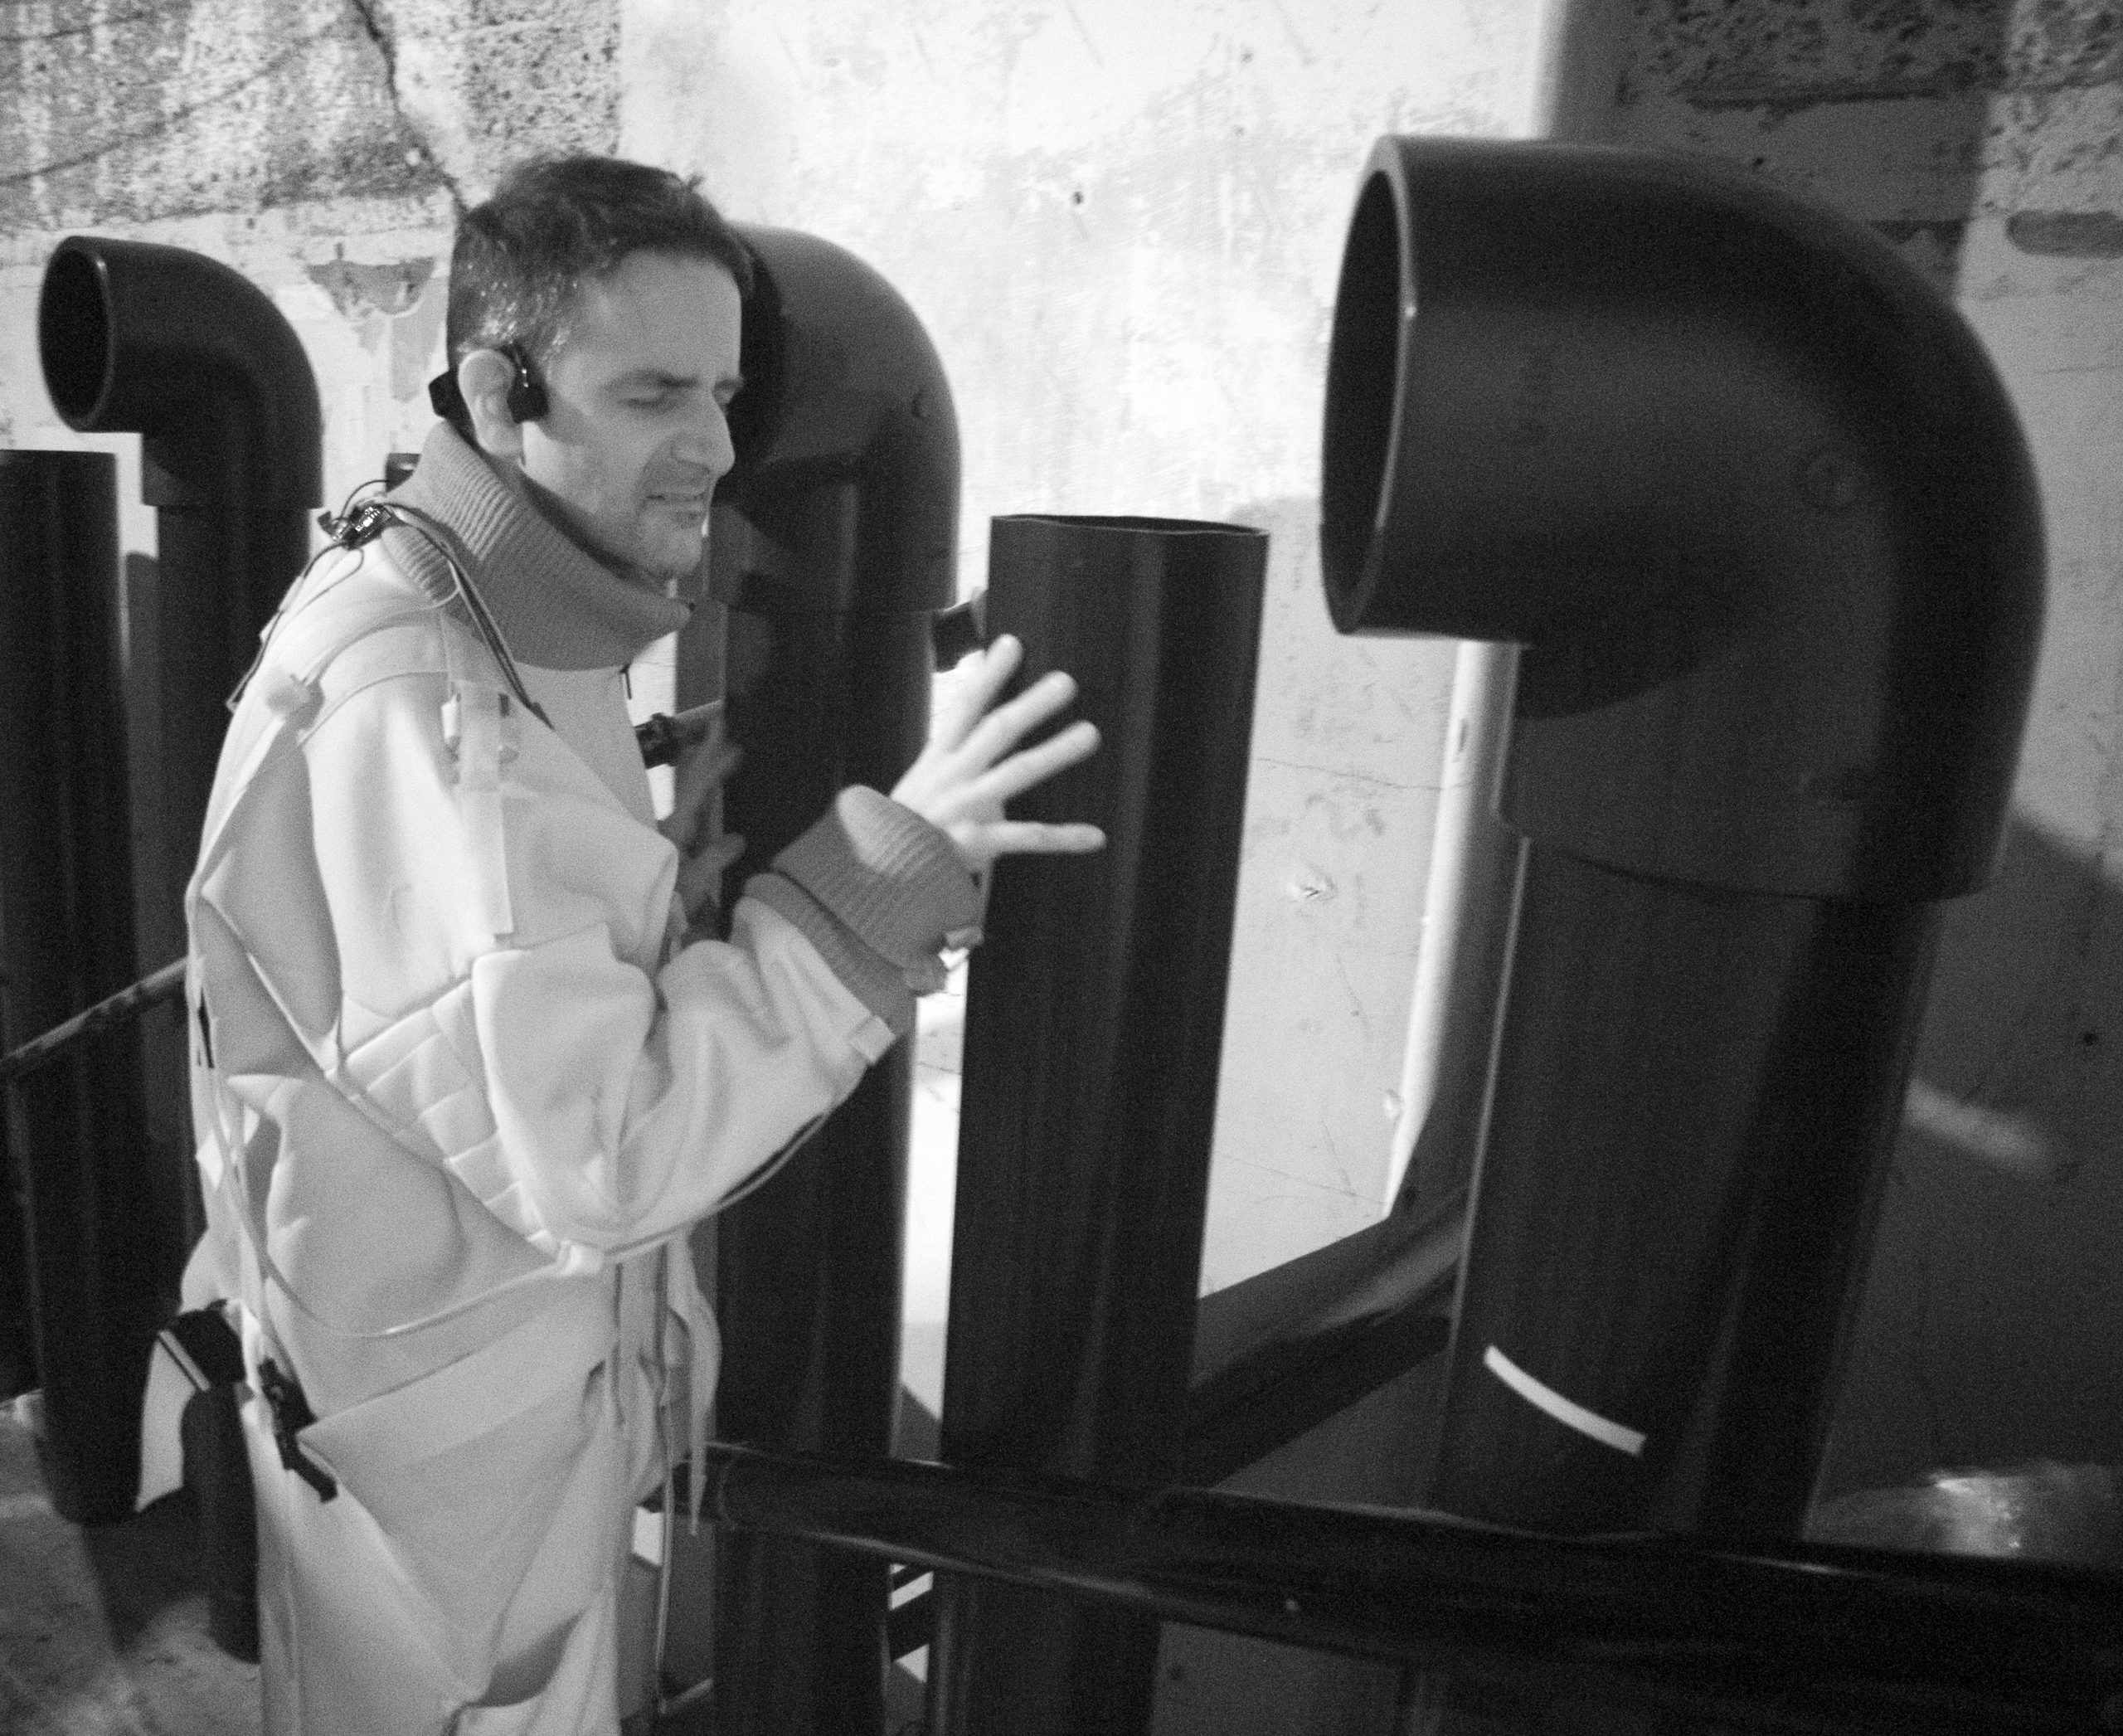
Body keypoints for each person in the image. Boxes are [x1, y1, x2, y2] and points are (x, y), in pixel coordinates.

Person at [177, 153, 1102, 1734]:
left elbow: (493, 964)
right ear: (497, 387)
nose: (719, 451)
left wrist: (654, 862)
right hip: (441, 1490)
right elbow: (601, 1149)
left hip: (463, 1421)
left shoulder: (487, 598)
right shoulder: (424, 704)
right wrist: (887, 866)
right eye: (656, 392)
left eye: (731, 393)